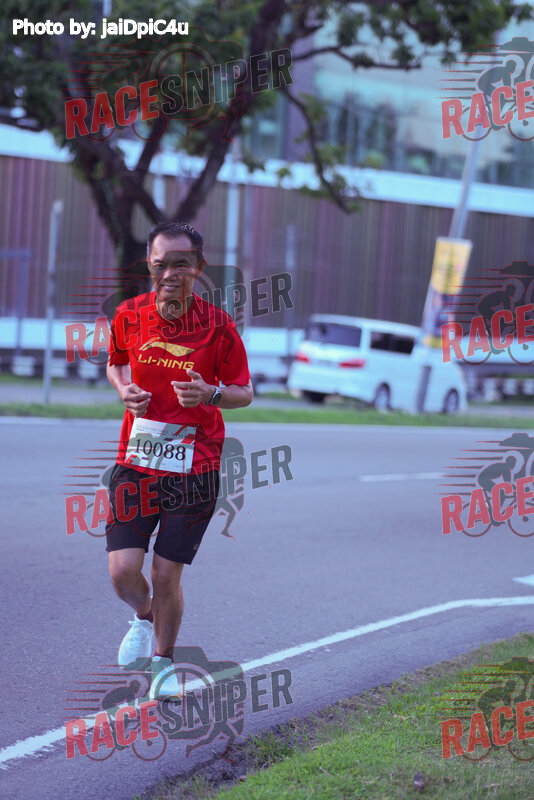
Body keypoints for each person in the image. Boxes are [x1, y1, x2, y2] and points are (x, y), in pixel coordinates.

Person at [105, 221, 253, 697]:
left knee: (166, 574)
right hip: (137, 460)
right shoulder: (129, 315)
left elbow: (244, 391)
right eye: (160, 263)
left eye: (181, 264)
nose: (169, 273)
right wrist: (124, 389)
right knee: (122, 572)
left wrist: (211, 393)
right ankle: (144, 616)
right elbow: (116, 362)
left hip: (195, 467)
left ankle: (164, 665)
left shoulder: (219, 326)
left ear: (199, 267)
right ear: (149, 265)